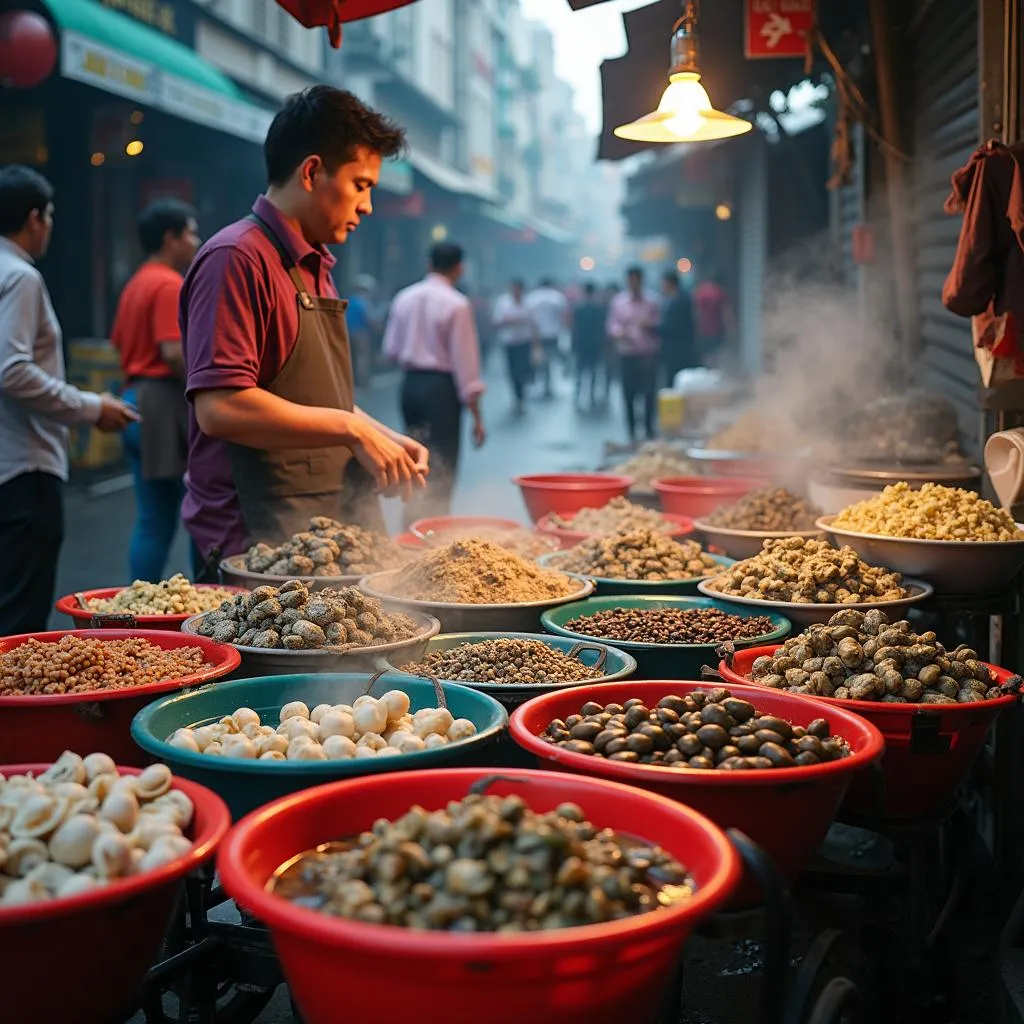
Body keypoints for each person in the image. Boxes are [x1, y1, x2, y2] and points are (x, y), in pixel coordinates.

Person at [180, 86, 429, 577]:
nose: (368, 206)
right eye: (361, 185)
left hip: (321, 529)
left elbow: (312, 395)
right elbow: (221, 407)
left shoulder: (315, 263)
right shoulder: (236, 258)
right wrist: (352, 428)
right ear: (312, 172)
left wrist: (382, 436)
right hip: (253, 538)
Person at [0, 166, 136, 633]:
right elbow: (13, 371)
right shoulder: (20, 277)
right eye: (51, 215)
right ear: (34, 217)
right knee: (19, 616)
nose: (51, 226)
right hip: (24, 466)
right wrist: (92, 408)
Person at [111, 198, 200, 581]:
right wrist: (206, 389)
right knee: (203, 510)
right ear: (171, 238)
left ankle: (138, 608)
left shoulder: (136, 282)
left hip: (133, 401)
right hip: (162, 405)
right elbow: (173, 352)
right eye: (191, 232)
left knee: (152, 520)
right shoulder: (167, 284)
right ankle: (212, 601)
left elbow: (118, 344)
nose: (197, 241)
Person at [382, 242, 486, 524]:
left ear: (429, 264)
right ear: (459, 268)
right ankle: (432, 528)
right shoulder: (457, 303)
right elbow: (466, 365)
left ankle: (410, 522)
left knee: (414, 452)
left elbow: (391, 349)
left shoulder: (404, 297)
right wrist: (477, 416)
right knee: (441, 460)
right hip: (441, 389)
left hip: (410, 386)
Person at [606, 266, 661, 444]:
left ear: (642, 281)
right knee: (628, 395)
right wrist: (619, 333)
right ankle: (631, 433)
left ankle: (649, 430)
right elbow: (611, 326)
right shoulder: (619, 302)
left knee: (649, 394)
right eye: (631, 280)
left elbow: (661, 324)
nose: (634, 283)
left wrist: (650, 325)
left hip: (647, 354)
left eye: (637, 280)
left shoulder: (652, 301)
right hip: (627, 354)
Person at [492, 279, 537, 416]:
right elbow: (497, 321)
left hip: (524, 342)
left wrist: (536, 345)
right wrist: (516, 321)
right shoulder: (503, 302)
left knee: (522, 370)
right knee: (512, 372)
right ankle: (517, 397)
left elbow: (534, 324)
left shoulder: (529, 303)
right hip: (509, 343)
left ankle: (522, 396)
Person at [526, 277, 569, 398]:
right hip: (553, 333)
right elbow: (564, 314)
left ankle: (543, 380)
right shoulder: (557, 296)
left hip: (537, 334)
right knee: (550, 357)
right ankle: (548, 382)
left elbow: (529, 316)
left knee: (540, 358)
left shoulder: (533, 297)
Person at [571, 282, 608, 410]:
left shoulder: (578, 308)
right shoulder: (599, 309)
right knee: (593, 372)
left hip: (581, 344)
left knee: (580, 372)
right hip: (594, 344)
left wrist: (573, 345)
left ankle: (577, 396)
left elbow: (574, 329)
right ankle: (591, 397)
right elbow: (602, 329)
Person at [658, 269, 695, 387]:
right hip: (676, 349)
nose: (662, 287)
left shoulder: (680, 301)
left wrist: (652, 327)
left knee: (675, 382)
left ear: (669, 283)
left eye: (663, 284)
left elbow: (673, 327)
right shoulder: (675, 299)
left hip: (679, 349)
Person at [693, 270, 734, 365]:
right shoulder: (720, 294)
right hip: (717, 330)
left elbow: (696, 313)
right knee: (717, 355)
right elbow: (726, 314)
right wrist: (730, 330)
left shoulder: (700, 292)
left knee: (706, 355)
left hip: (702, 330)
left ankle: (707, 372)